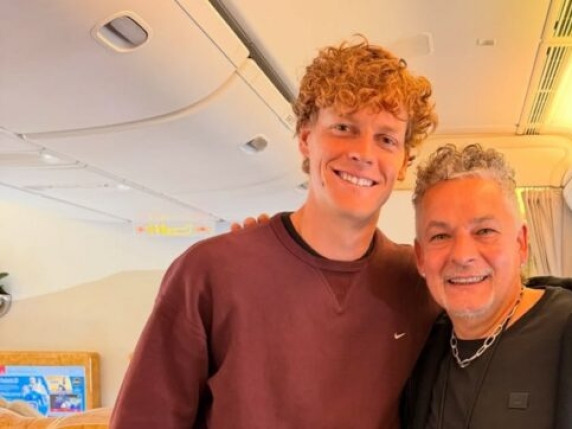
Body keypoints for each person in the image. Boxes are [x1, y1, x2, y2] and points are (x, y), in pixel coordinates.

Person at [110, 36, 439, 429]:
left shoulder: (420, 285)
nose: (364, 153)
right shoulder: (211, 272)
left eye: (386, 139)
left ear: (403, 163)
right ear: (306, 138)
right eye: (343, 127)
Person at [401, 143, 572, 428]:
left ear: (521, 243)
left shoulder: (564, 328)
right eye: (441, 236)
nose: (462, 255)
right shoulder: (423, 351)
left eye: (484, 231)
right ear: (420, 257)